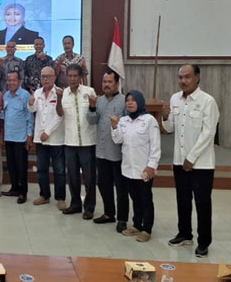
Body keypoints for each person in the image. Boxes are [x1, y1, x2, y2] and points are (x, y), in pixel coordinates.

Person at [162, 64, 220, 257]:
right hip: (179, 161)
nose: (183, 81)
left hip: (201, 164)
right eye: (180, 77)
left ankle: (204, 242)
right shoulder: (175, 99)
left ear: (197, 78)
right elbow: (170, 128)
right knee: (183, 200)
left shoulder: (207, 101)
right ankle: (185, 234)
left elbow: (208, 133)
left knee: (202, 204)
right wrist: (165, 117)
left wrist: (191, 157)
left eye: (187, 77)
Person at [111, 90, 161, 243]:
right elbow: (118, 140)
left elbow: (155, 146)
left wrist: (151, 166)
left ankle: (147, 229)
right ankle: (137, 225)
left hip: (144, 168)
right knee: (135, 198)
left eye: (133, 100)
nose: (130, 103)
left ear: (140, 101)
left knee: (145, 199)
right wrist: (114, 126)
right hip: (128, 168)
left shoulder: (149, 120)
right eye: (128, 100)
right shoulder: (124, 120)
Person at [86, 70, 129, 232]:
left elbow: (130, 124)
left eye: (110, 82)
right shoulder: (99, 101)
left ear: (117, 84)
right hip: (102, 151)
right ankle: (109, 213)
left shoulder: (124, 101)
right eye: (104, 82)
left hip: (118, 153)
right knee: (103, 184)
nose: (106, 85)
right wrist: (91, 107)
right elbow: (91, 121)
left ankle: (122, 218)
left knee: (121, 187)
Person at [57, 64, 97, 219]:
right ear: (66, 77)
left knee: (89, 178)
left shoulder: (89, 91)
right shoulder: (63, 94)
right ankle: (75, 204)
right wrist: (59, 99)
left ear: (80, 77)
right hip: (70, 142)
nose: (72, 79)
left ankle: (89, 208)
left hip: (87, 142)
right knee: (72, 177)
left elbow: (95, 115)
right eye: (70, 76)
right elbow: (60, 114)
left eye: (75, 76)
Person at [28, 66, 66, 210]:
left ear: (54, 77)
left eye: (48, 76)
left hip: (55, 138)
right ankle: (44, 195)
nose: (45, 79)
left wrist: (48, 132)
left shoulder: (60, 93)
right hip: (40, 139)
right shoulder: (37, 92)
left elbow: (60, 116)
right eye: (43, 76)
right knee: (42, 169)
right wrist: (30, 104)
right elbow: (33, 110)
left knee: (59, 170)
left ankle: (60, 198)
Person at [0, 71, 34, 203]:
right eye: (9, 80)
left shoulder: (25, 95)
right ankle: (14, 188)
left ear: (19, 81)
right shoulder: (6, 95)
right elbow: (4, 115)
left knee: (21, 166)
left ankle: (23, 192)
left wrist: (29, 136)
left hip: (21, 138)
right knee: (11, 165)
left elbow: (30, 117)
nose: (11, 83)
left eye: (14, 80)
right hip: (9, 136)